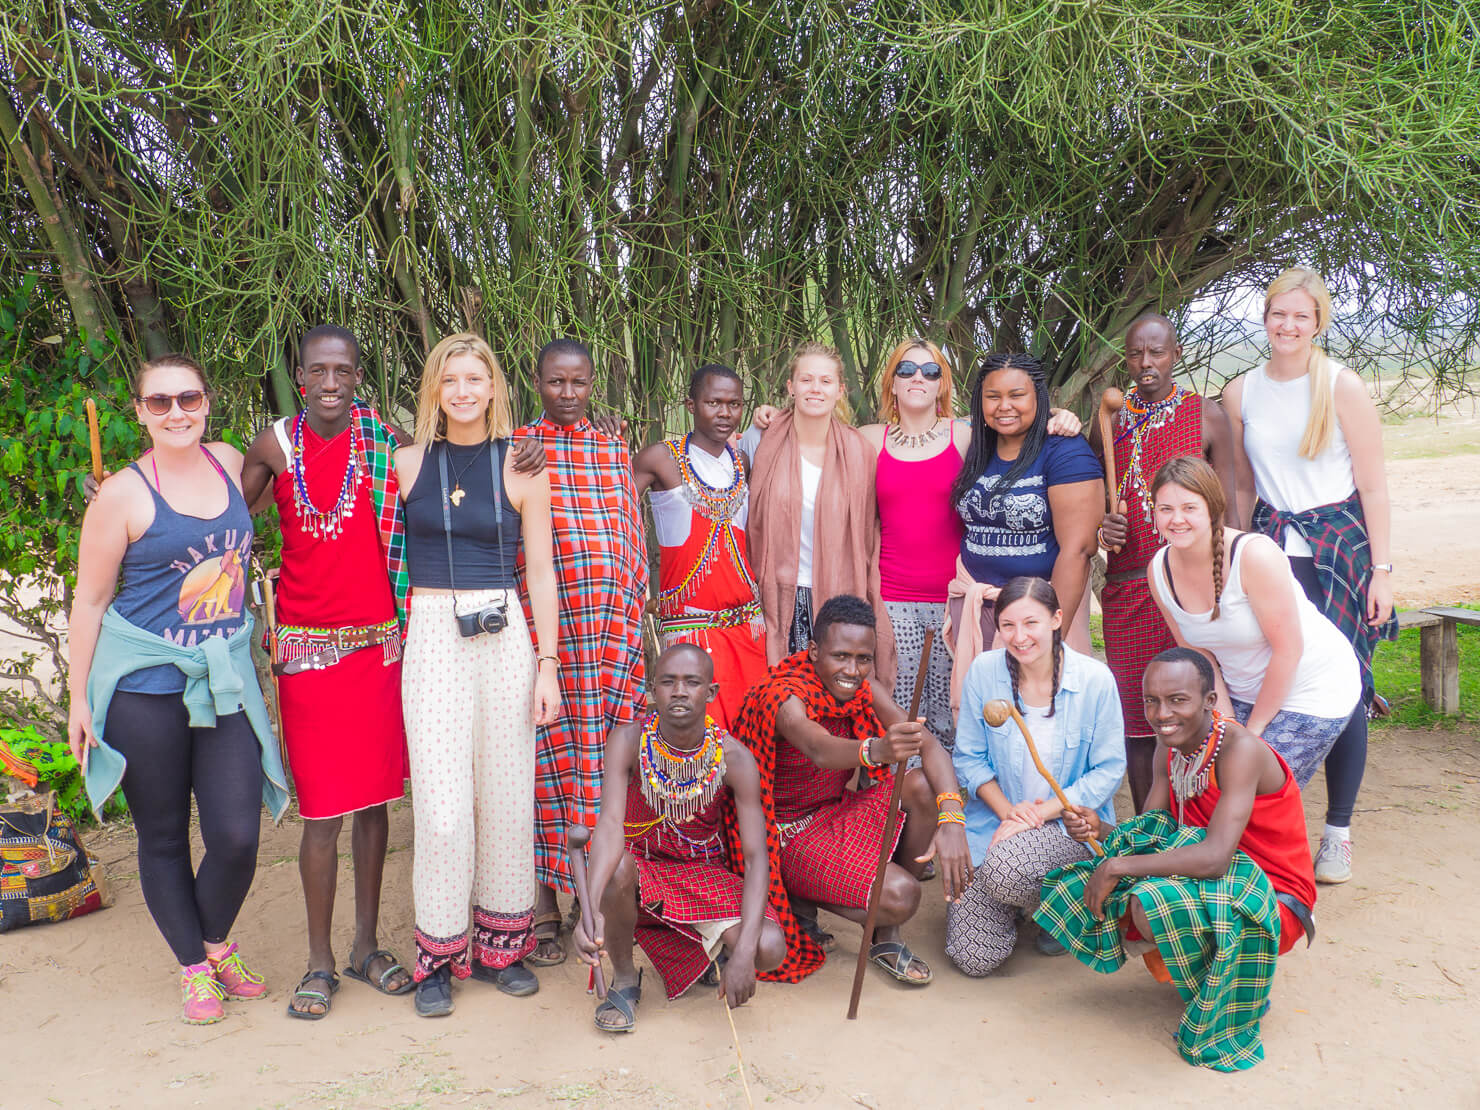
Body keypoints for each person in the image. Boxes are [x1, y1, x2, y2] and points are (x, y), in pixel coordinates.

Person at [68, 353, 288, 1025]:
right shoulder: (123, 496)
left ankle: (215, 941)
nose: (175, 413)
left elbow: (300, 446)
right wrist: (78, 699)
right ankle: (197, 965)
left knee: (234, 834)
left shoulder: (226, 460)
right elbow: (91, 601)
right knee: (163, 835)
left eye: (186, 398)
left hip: (222, 677)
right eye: (158, 403)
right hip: (144, 684)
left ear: (207, 402)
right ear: (139, 412)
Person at [236, 325, 413, 1018]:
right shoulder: (275, 445)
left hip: (378, 647)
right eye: (319, 370)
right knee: (322, 813)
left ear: (358, 373)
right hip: (306, 652)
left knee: (373, 804)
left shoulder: (385, 442)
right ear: (300, 376)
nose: (331, 382)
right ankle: (318, 961)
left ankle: (365, 947)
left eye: (343, 369)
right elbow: (224, 518)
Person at [1035, 648, 1317, 1072]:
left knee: (1146, 901)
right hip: (1219, 877)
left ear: (1209, 701)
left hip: (1274, 898)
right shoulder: (1169, 748)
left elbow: (1216, 858)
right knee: (1076, 883)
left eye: (1177, 700)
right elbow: (1150, 837)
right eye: (1151, 700)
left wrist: (1115, 866)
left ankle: (1232, 989)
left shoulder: (1240, 749)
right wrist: (1101, 831)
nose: (1161, 713)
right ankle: (1212, 974)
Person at [393, 333, 561, 1017]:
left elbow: (542, 570)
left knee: (506, 796)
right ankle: (438, 955)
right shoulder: (403, 463)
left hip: (505, 634)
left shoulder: (522, 467)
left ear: (494, 389)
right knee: (440, 809)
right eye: (450, 380)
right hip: (432, 631)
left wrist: (547, 663)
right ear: (434, 389)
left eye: (476, 379)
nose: (463, 391)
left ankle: (503, 946)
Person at [1222, 267, 1396, 883]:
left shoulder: (1340, 385)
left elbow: (1372, 484)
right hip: (1272, 549)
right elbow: (1242, 484)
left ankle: (1338, 832)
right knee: (1277, 676)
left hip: (1340, 550)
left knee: (1344, 685)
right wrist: (1235, 552)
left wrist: (1383, 572)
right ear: (1265, 318)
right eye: (1278, 314)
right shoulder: (1241, 392)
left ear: (1318, 321)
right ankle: (1270, 820)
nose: (1288, 325)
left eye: (1301, 315)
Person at [732, 594, 972, 985]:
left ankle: (882, 931)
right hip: (788, 836)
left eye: (863, 658)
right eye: (840, 656)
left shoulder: (863, 687)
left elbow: (927, 744)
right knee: (903, 896)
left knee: (922, 787)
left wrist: (953, 818)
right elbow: (817, 747)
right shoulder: (784, 697)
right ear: (813, 652)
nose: (852, 669)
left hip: (836, 813)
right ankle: (811, 899)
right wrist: (875, 750)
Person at [571, 644, 789, 1031]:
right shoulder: (629, 741)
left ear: (712, 692)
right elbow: (609, 826)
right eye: (668, 682)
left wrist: (744, 957)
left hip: (700, 872)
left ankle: (714, 952)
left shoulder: (734, 757)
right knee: (617, 868)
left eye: (692, 682)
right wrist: (592, 909)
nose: (679, 691)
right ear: (652, 689)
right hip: (640, 867)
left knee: (767, 947)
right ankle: (624, 979)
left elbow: (757, 859)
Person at [517, 338, 649, 964]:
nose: (567, 395)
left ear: (592, 384)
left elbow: (629, 535)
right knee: (544, 763)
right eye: (555, 383)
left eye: (578, 383)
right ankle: (542, 902)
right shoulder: (519, 446)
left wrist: (629, 618)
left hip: (610, 637)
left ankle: (586, 893)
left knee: (601, 768)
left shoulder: (611, 443)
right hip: (550, 638)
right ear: (536, 382)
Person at [1145, 456, 1362, 799]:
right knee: (1203, 785)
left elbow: (1288, 650)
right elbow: (1201, 658)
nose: (1177, 519)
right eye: (1165, 509)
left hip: (1311, 686)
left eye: (1189, 507)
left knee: (1252, 791)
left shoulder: (1254, 555)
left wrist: (1252, 734)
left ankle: (1275, 851)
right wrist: (1228, 726)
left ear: (1213, 509)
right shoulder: (1159, 570)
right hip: (1239, 691)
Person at [1090, 315, 1238, 811]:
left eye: (1156, 352)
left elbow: (1232, 503)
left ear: (1175, 353)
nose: (1145, 364)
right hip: (1128, 589)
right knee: (1139, 718)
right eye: (1135, 354)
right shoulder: (1112, 419)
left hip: (1193, 589)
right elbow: (1096, 500)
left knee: (1201, 714)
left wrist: (1229, 579)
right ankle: (1149, 828)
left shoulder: (1205, 415)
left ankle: (1204, 823)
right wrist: (1102, 527)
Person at [946, 576, 1125, 976]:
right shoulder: (984, 672)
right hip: (996, 825)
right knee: (974, 958)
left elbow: (1109, 770)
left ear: (1057, 619)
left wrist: (1039, 815)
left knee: (1006, 869)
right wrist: (1010, 814)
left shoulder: (1095, 681)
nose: (1019, 637)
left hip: (1067, 826)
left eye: (1031, 623)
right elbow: (969, 759)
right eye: (1008, 625)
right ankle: (1025, 901)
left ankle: (1061, 904)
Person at [946, 353, 1103, 712]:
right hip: (978, 611)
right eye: (993, 396)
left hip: (1034, 620)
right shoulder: (980, 448)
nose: (1004, 406)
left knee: (1037, 722)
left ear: (1039, 398)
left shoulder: (1065, 451)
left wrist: (1048, 636)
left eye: (1017, 395)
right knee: (984, 721)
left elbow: (1077, 551)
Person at [746, 342, 896, 688]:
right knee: (783, 696)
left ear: (840, 390)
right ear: (791, 387)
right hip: (775, 594)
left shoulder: (859, 450)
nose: (815, 389)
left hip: (838, 592)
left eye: (826, 381)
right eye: (806, 379)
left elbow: (868, 528)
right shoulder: (761, 439)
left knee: (833, 698)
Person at [633, 364, 766, 729]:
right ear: (690, 405)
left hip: (749, 630)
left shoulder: (743, 461)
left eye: (734, 404)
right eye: (713, 402)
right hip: (689, 631)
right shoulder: (660, 458)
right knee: (698, 745)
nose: (725, 413)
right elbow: (613, 518)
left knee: (752, 739)